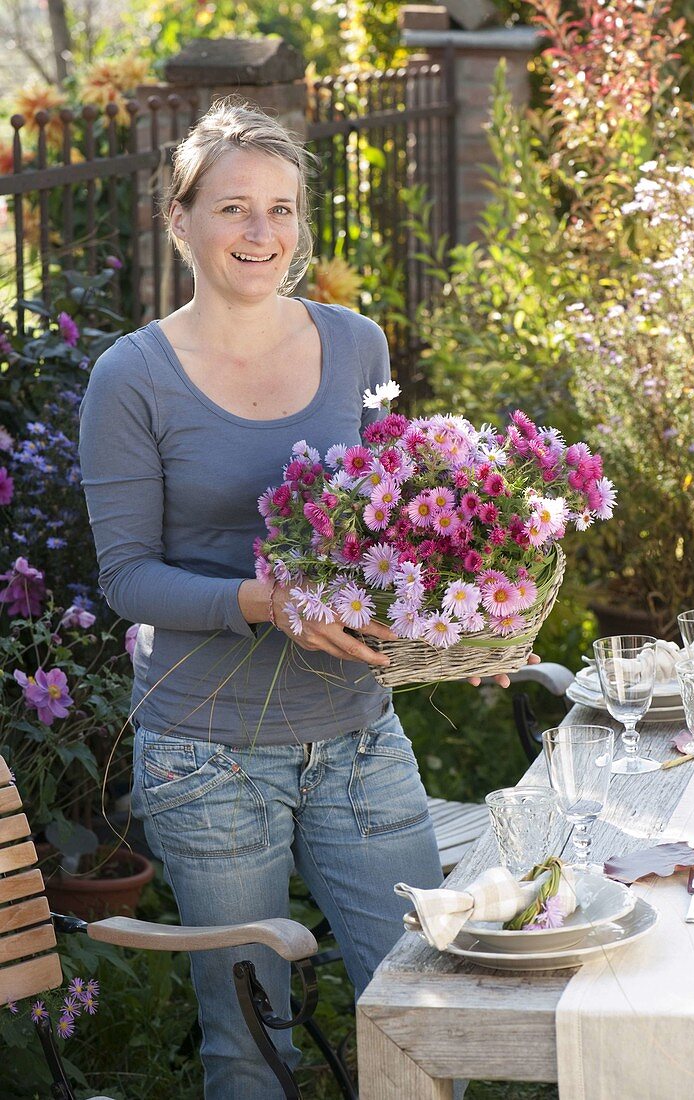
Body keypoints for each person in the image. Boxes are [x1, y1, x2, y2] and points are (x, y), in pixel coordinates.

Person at [79, 98, 447, 1100]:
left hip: (359, 732)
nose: (262, 234)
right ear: (180, 219)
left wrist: (448, 604)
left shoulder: (357, 343)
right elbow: (126, 577)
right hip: (208, 749)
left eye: (282, 209)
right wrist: (266, 599)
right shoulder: (131, 378)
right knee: (249, 1041)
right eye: (235, 208)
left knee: (430, 1006)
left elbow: (391, 520)